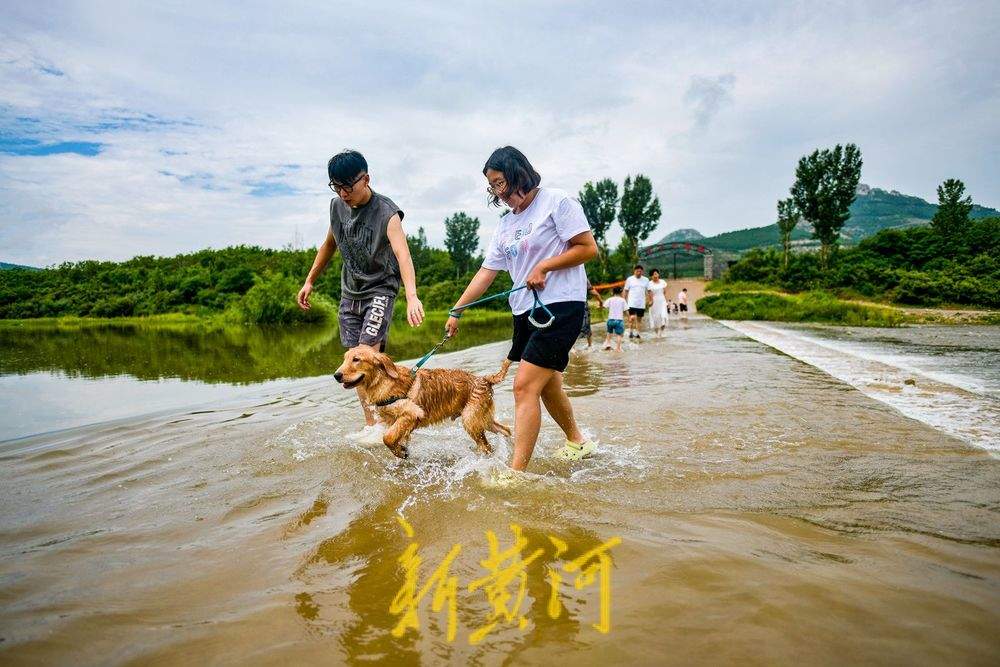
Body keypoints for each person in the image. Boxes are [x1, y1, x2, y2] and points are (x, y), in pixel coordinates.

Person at [446, 146, 600, 470]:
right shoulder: (504, 225)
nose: (498, 193)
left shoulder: (557, 202)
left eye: (500, 183)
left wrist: (545, 266)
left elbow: (587, 248)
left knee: (524, 386)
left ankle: (515, 474)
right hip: (524, 312)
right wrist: (456, 310)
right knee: (547, 384)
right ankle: (578, 441)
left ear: (519, 174)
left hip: (559, 307)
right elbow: (486, 273)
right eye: (493, 187)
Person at [298, 149, 424, 445]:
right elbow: (328, 245)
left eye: (348, 187)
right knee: (353, 362)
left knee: (365, 353)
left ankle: (387, 420)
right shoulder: (337, 208)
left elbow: (402, 254)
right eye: (336, 187)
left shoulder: (386, 212)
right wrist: (309, 280)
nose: (343, 193)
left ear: (365, 179)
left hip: (380, 289)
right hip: (349, 293)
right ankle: (375, 423)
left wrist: (412, 295)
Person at [623, 265, 649, 339]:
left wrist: (649, 300)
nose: (639, 272)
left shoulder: (646, 280)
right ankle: (631, 332)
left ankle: (638, 333)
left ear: (642, 272)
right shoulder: (630, 279)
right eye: (637, 271)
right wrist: (624, 300)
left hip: (641, 303)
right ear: (634, 271)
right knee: (631, 318)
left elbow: (648, 290)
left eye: (640, 271)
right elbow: (625, 290)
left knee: (639, 319)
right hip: (631, 302)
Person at [577, 280, 604, 348]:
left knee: (569, 326)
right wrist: (600, 301)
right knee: (586, 325)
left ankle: (572, 348)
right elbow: (591, 291)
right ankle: (590, 345)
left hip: (565, 304)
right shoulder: (582, 276)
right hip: (581, 303)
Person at [601, 286, 627, 352]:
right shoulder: (622, 300)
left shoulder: (610, 299)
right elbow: (626, 310)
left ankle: (608, 344)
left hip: (610, 320)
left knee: (609, 333)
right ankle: (618, 348)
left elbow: (604, 306)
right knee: (619, 335)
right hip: (619, 320)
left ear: (613, 292)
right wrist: (629, 317)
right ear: (621, 292)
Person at [646, 269, 668, 336]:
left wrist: (666, 302)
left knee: (663, 316)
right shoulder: (649, 284)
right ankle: (657, 333)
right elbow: (649, 294)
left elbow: (664, 292)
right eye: (653, 274)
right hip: (654, 302)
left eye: (656, 273)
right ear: (651, 276)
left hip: (662, 301)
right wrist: (650, 301)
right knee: (655, 318)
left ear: (658, 274)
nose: (655, 275)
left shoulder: (663, 282)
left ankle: (660, 333)